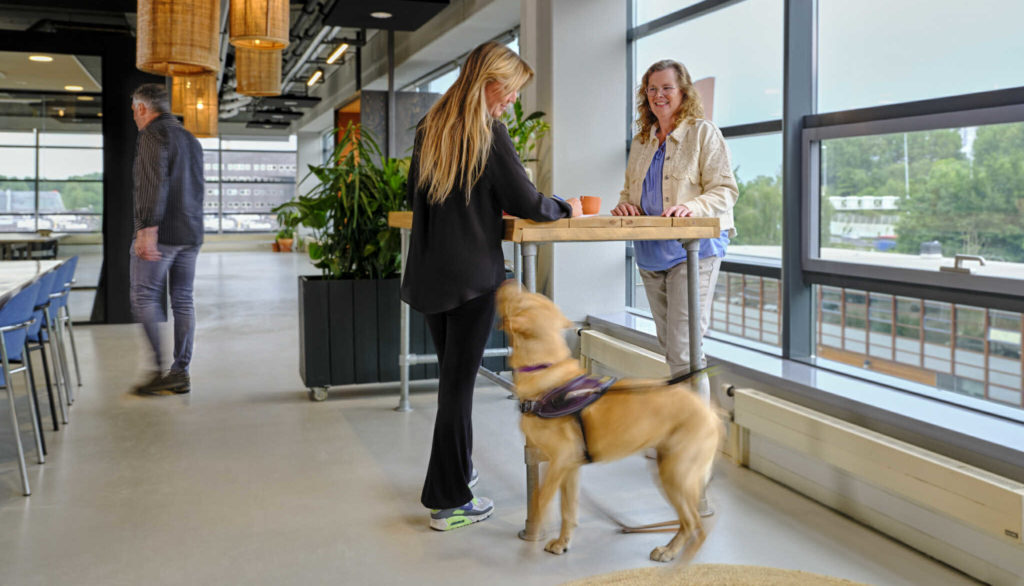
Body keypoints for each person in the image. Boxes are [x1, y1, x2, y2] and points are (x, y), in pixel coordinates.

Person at [401, 41, 582, 531]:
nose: (513, 102)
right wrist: (565, 206)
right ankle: (448, 500)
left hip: (431, 276)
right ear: (490, 81)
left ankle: (457, 473)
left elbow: (424, 196)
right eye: (511, 91)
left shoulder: (430, 127)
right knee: (457, 390)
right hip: (472, 279)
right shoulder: (488, 132)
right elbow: (527, 200)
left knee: (451, 383)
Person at [612, 60, 738, 396]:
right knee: (672, 347)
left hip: (692, 251)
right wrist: (627, 205)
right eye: (652, 89)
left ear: (683, 91)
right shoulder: (642, 140)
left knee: (685, 349)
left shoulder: (702, 132)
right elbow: (630, 193)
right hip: (651, 252)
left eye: (667, 87)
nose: (659, 95)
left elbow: (726, 190)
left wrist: (691, 207)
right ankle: (687, 432)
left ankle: (694, 443)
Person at [129, 83, 205, 396]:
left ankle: (158, 371)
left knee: (144, 296)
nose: (133, 116)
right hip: (191, 231)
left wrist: (147, 228)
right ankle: (180, 371)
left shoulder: (152, 135)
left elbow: (152, 184)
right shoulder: (191, 139)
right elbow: (198, 187)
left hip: (163, 233)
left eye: (134, 109)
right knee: (183, 299)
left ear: (144, 108)